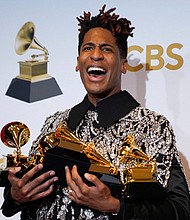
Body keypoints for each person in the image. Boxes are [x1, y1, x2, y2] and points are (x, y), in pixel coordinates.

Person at [1, 4, 190, 220]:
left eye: (107, 49)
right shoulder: (55, 123)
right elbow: (19, 197)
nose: (96, 55)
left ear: (123, 65)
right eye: (87, 48)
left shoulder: (154, 126)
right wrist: (16, 196)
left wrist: (115, 206)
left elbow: (180, 210)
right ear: (77, 62)